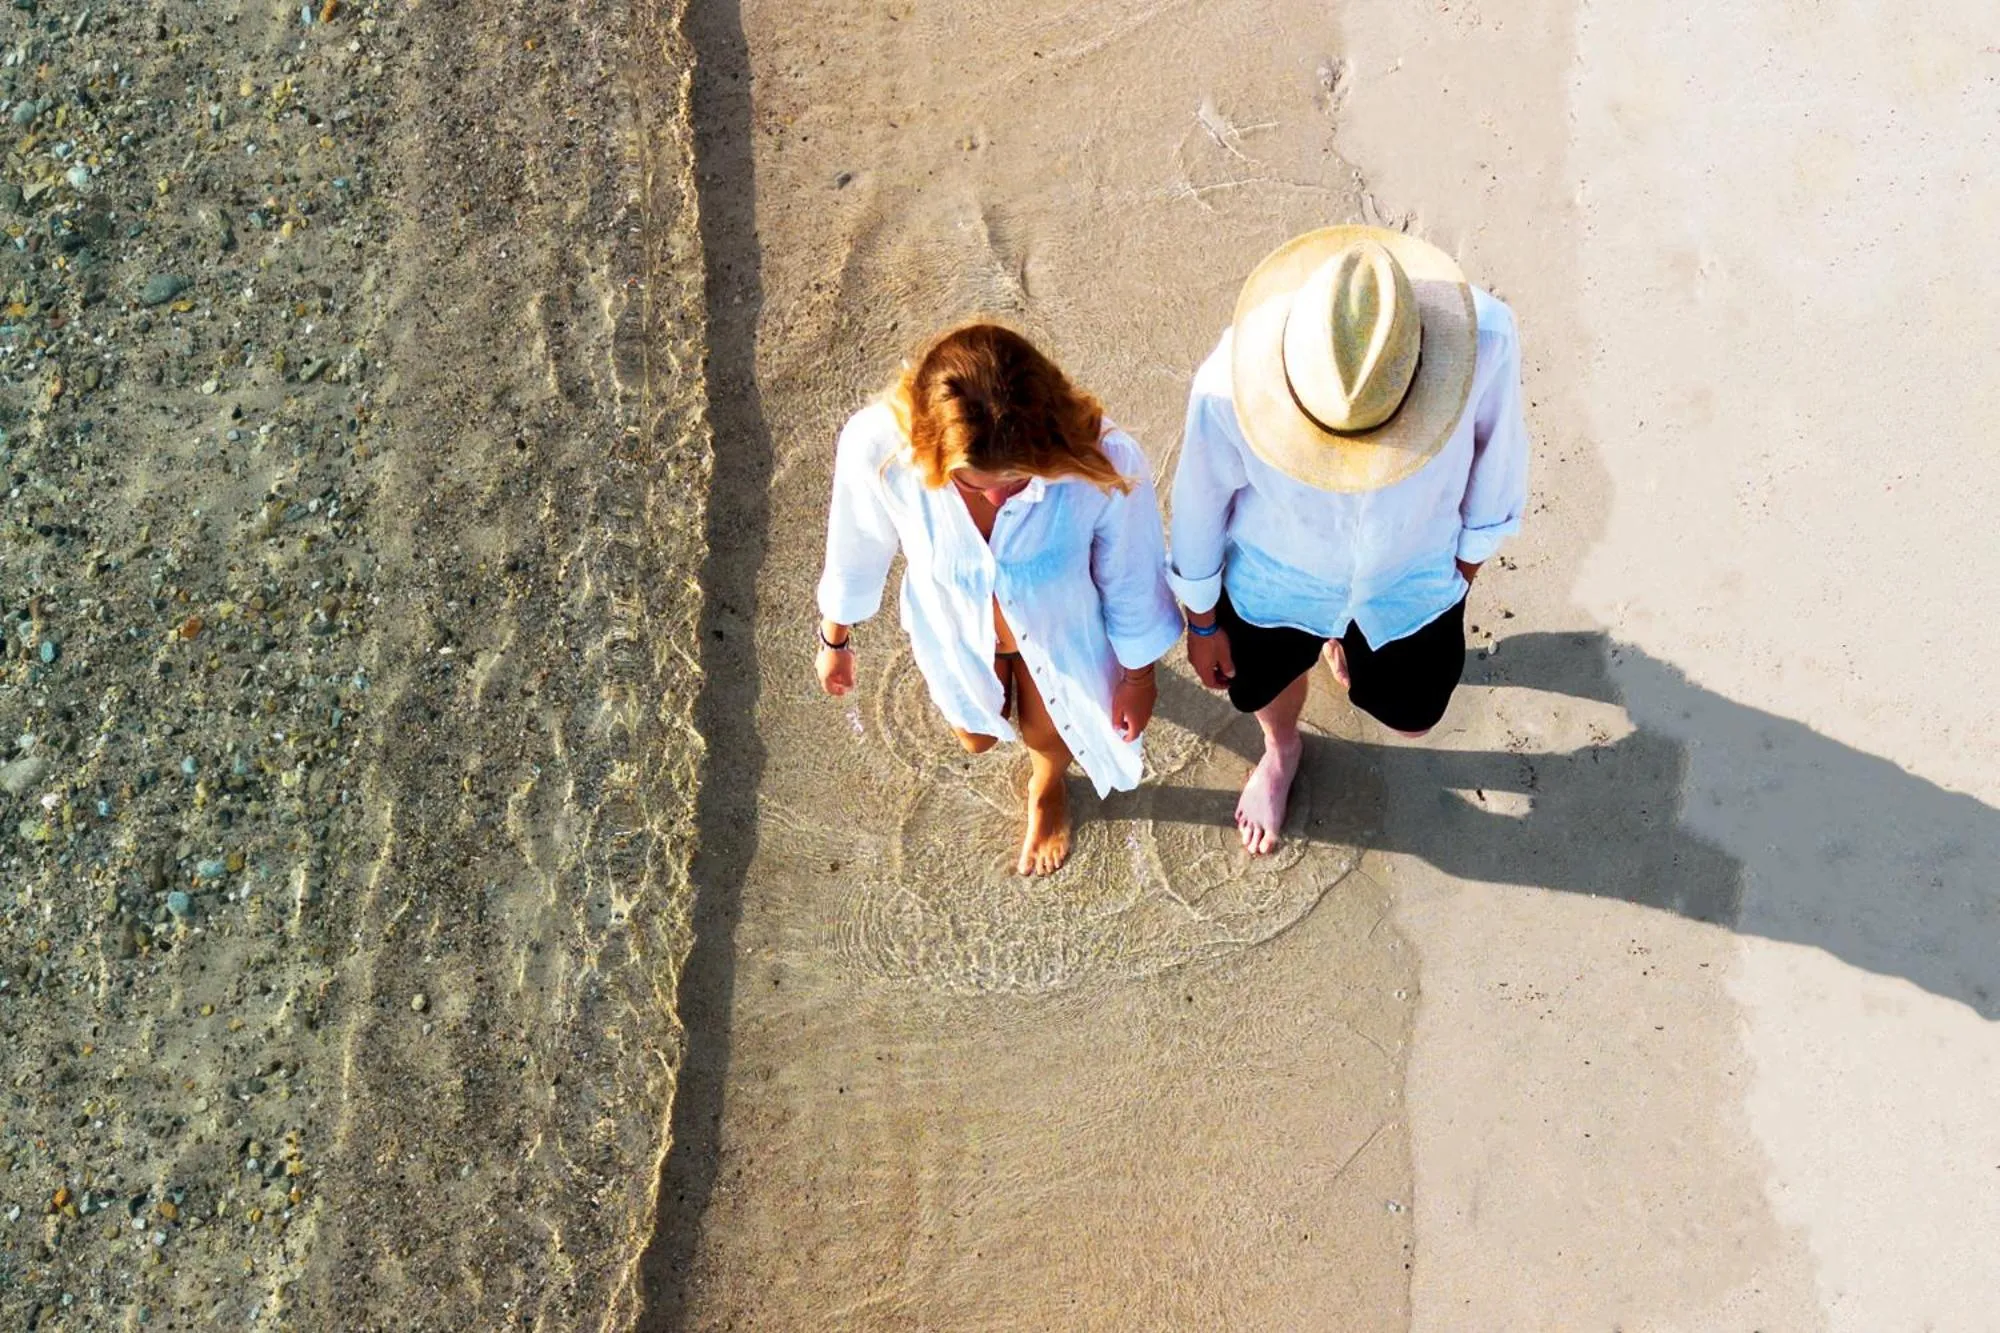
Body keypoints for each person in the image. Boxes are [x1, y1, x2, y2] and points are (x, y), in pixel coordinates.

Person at [1168, 226, 1529, 854]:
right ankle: (1282, 749)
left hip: (1412, 576)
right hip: (1276, 580)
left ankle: (1343, 640)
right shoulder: (1226, 387)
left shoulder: (1486, 341)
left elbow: (1495, 467)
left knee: (1414, 718)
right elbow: (1199, 505)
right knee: (1263, 684)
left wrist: (1460, 576)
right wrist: (1202, 623)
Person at [815, 323, 1183, 875]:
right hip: (953, 632)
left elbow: (1130, 577)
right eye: (971, 481)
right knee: (976, 736)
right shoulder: (878, 448)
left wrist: (1139, 675)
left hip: (1062, 632)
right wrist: (835, 637)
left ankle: (1047, 788)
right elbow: (856, 546)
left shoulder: (1102, 459)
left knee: (1048, 732)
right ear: (931, 447)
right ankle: (1024, 747)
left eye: (1016, 481)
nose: (995, 496)